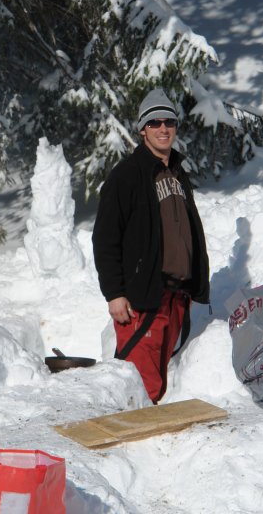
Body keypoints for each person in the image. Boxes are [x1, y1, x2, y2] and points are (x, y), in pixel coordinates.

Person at [92, 88, 210, 403]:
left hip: (174, 296)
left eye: (169, 122)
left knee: (161, 376)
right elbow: (105, 237)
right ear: (143, 129)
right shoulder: (126, 176)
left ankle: (152, 442)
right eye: (155, 122)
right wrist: (114, 293)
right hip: (141, 299)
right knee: (143, 383)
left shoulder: (176, 173)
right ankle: (137, 446)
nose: (163, 128)